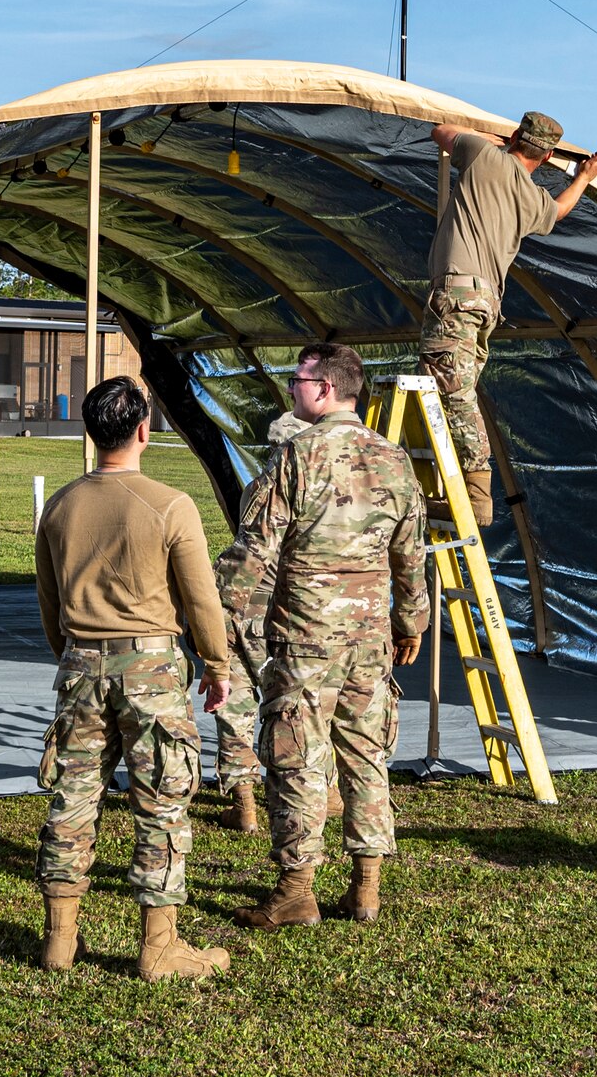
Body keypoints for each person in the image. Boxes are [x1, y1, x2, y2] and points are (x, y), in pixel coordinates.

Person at [216, 342, 427, 928]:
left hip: (306, 635)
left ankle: (296, 888)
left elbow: (256, 548)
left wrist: (220, 616)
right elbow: (411, 553)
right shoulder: (393, 459)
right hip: (369, 637)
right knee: (366, 754)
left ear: (327, 387)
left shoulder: (295, 457)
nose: (291, 389)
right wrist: (410, 621)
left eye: (298, 379)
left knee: (297, 757)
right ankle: (366, 887)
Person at [33, 375, 233, 981]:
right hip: (151, 670)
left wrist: (70, 654)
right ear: (145, 430)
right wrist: (217, 664)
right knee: (162, 801)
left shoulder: (60, 505)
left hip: (79, 665)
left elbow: (47, 601)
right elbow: (202, 601)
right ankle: (159, 946)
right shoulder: (171, 504)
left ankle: (59, 941)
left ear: (92, 432)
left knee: (73, 798)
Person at [423, 112, 597, 523]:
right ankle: (446, 486)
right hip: (488, 300)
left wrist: (493, 136)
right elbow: (560, 211)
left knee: (450, 387)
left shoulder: (485, 155)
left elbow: (440, 132)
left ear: (516, 136)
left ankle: (475, 490)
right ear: (547, 155)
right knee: (451, 387)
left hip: (457, 289)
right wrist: (585, 176)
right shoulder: (532, 197)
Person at [211, 409, 310, 835]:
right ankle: (320, 791)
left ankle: (244, 800)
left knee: (235, 699)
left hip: (250, 608)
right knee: (302, 703)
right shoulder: (324, 491)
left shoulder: (258, 491)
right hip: (299, 613)